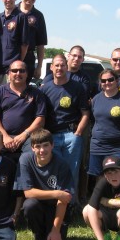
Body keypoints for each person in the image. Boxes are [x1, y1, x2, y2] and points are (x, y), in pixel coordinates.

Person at [14, 128, 75, 240]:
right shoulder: (25, 160)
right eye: (38, 146)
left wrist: (55, 230)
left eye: (46, 145)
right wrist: (56, 193)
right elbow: (28, 193)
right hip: (38, 207)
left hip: (56, 209)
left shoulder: (61, 164)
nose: (42, 150)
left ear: (52, 145)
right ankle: (38, 239)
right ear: (32, 148)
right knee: (29, 204)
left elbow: (63, 200)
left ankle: (52, 234)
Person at [40, 53, 90, 195]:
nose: (60, 68)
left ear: (67, 67)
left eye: (63, 65)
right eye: (57, 65)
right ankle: (54, 204)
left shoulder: (77, 88)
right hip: (51, 137)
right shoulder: (44, 89)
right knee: (52, 171)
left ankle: (71, 204)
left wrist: (78, 133)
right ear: (51, 68)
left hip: (71, 136)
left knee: (72, 171)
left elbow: (85, 113)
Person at [0, 60, 47, 160]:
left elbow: (40, 119)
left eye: (22, 71)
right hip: (3, 136)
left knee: (32, 155)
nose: (18, 73)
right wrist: (5, 136)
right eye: (14, 71)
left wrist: (24, 135)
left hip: (28, 137)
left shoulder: (37, 93)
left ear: (27, 74)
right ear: (8, 74)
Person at [89, 69, 120, 176]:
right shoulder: (96, 99)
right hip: (97, 146)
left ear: (117, 80)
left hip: (119, 147)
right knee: (98, 178)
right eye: (103, 81)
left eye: (110, 79)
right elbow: (94, 119)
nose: (107, 83)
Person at [0, 0, 28, 92]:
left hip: (11, 71)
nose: (8, 0)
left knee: (10, 102)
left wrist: (17, 64)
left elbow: (25, 45)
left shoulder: (21, 17)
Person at [18, 0, 47, 82]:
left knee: (24, 90)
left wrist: (39, 67)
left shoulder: (38, 16)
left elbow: (41, 44)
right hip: (10, 56)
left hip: (28, 59)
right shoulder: (12, 11)